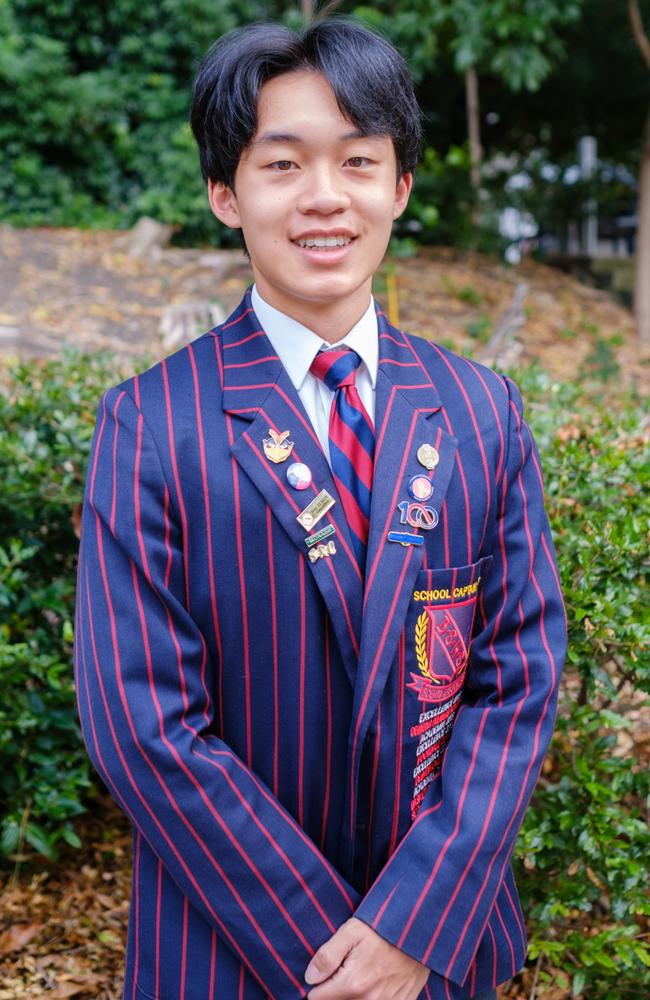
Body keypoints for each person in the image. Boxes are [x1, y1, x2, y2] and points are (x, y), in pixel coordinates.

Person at [73, 16, 567, 1000]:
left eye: (357, 159)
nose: (325, 197)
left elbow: (517, 675)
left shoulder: (478, 411)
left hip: (437, 949)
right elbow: (143, 724)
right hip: (229, 952)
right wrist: (336, 959)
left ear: (399, 186)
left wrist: (409, 924)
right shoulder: (151, 424)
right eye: (282, 164)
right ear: (225, 192)